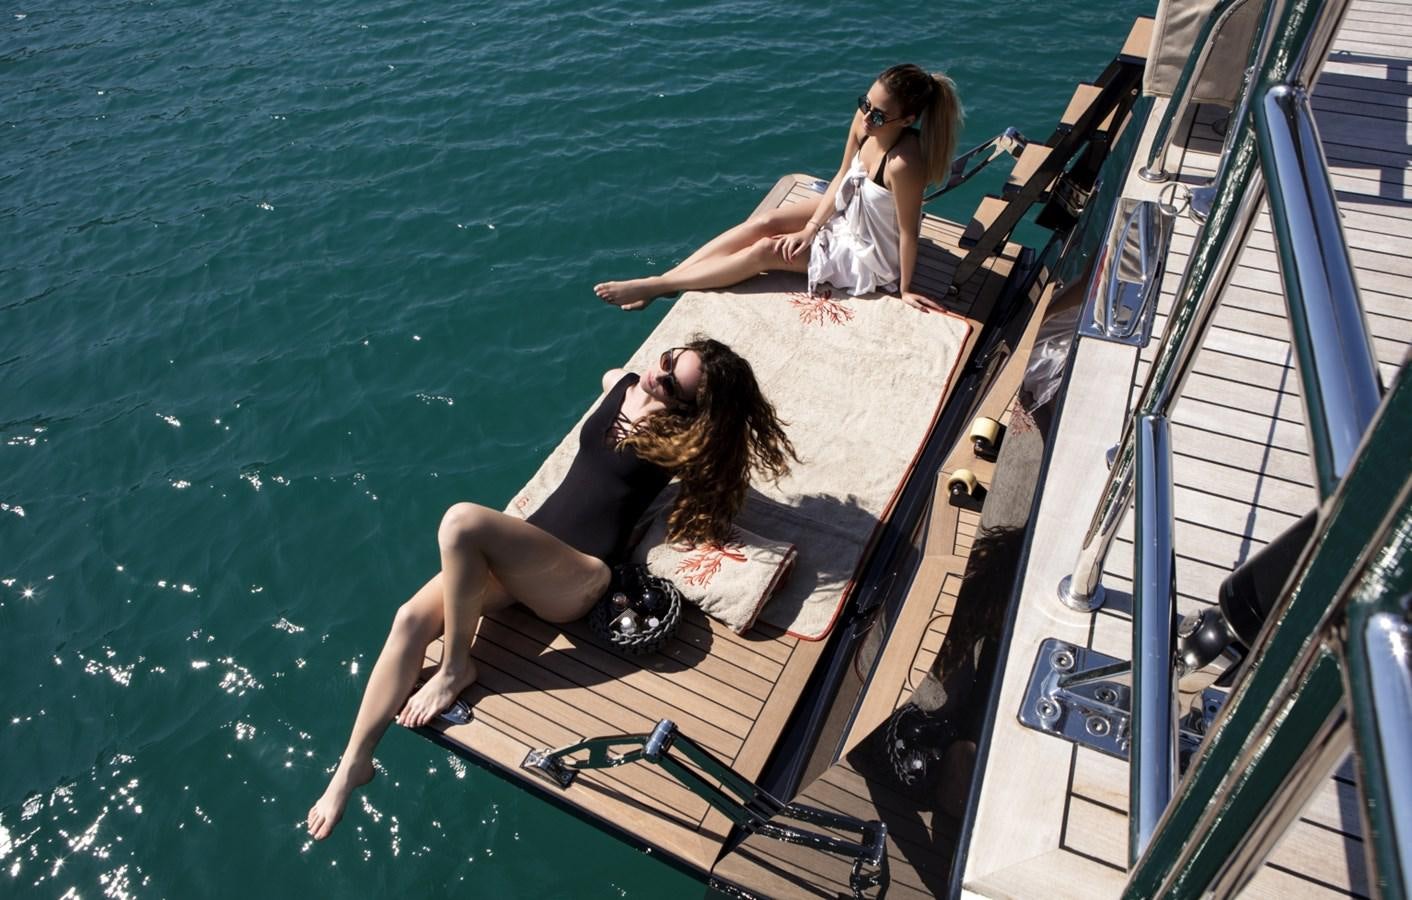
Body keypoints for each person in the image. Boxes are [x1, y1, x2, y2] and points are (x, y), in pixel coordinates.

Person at [305, 337, 797, 840]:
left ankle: (456, 668)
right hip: (527, 553)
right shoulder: (624, 386)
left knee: (461, 522)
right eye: (668, 360)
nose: (659, 376)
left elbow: (721, 460)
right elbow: (612, 377)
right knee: (409, 620)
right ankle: (353, 765)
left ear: (691, 407)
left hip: (580, 575)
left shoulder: (682, 440)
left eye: (673, 385)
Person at [593, 64, 963, 313]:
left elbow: (906, 231)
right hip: (848, 208)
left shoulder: (903, 164)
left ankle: (657, 285)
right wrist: (811, 228)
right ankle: (664, 282)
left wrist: (905, 288)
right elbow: (839, 176)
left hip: (871, 250)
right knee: (766, 221)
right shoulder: (864, 124)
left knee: (767, 251)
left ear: (908, 120)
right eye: (865, 104)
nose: (867, 117)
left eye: (879, 115)